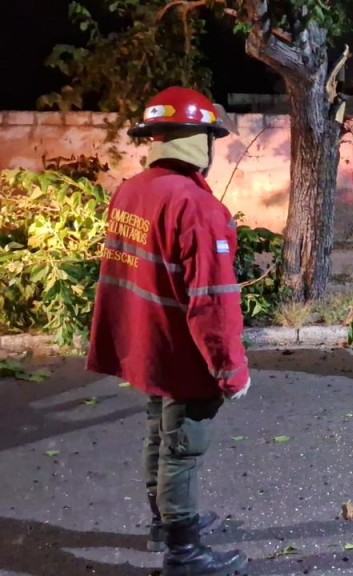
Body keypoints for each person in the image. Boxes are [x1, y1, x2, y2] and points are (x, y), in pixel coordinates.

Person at [86, 86, 250, 576]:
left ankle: (166, 521)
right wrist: (231, 371)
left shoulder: (131, 189)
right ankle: (184, 552)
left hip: (146, 343)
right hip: (182, 351)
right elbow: (212, 304)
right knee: (183, 444)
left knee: (159, 432)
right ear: (200, 141)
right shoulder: (196, 207)